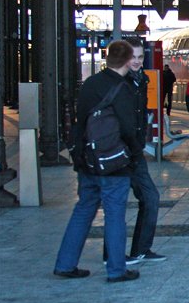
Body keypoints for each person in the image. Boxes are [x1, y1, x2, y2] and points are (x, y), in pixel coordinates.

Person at [53, 40, 141, 283]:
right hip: (112, 162)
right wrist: (134, 153)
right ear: (126, 61)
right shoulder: (122, 88)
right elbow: (127, 128)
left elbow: (81, 121)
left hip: (86, 159)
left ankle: (65, 263)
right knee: (114, 214)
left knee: (83, 211)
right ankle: (116, 270)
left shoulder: (91, 84)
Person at [124, 41, 165, 264]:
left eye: (140, 57)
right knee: (115, 203)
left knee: (150, 197)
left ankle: (141, 249)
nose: (137, 61)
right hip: (118, 152)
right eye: (133, 57)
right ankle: (112, 255)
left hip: (134, 151)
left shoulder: (142, 80)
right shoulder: (119, 83)